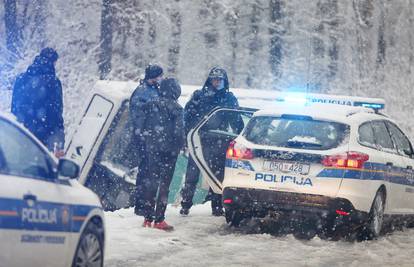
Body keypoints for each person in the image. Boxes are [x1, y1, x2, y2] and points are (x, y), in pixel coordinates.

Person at [180, 67, 244, 216]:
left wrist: (241, 137)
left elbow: (236, 120)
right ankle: (186, 204)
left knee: (217, 176)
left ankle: (216, 206)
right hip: (199, 140)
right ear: (210, 80)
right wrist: (187, 138)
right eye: (214, 79)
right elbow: (187, 117)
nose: (217, 82)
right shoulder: (199, 96)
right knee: (192, 174)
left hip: (220, 141)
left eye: (220, 79)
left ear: (224, 81)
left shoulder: (229, 99)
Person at [135, 78, 184, 231]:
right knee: (164, 185)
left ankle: (147, 218)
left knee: (151, 182)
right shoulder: (177, 108)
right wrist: (180, 146)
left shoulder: (150, 105)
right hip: (169, 152)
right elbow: (178, 132)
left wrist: (147, 142)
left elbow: (140, 126)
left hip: (152, 149)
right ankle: (159, 219)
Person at [11, 47, 65, 156]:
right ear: (53, 62)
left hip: (22, 131)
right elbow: (57, 111)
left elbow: (14, 106)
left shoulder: (21, 78)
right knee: (39, 167)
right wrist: (59, 137)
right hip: (44, 134)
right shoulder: (54, 82)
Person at [129, 64, 164, 216]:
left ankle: (144, 203)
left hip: (150, 137)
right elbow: (138, 116)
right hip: (145, 138)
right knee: (146, 171)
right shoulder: (142, 92)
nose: (161, 79)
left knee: (148, 171)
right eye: (159, 76)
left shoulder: (153, 90)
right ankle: (141, 204)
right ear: (154, 77)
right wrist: (144, 134)